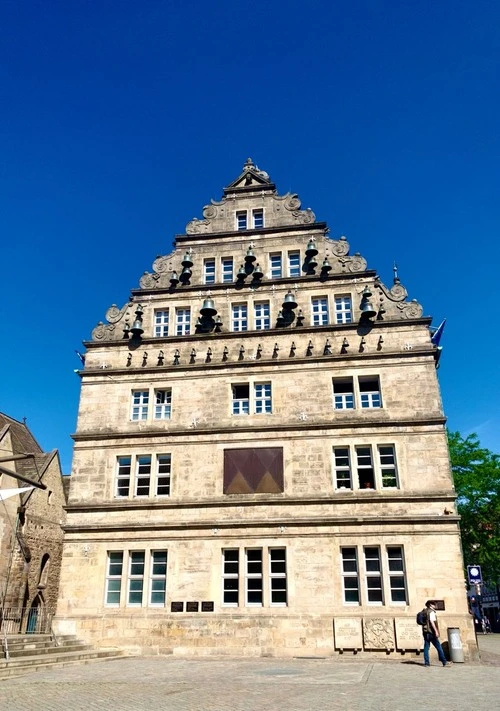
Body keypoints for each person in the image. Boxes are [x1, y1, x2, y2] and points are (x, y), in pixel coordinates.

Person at [422, 600, 449, 667]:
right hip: (431, 632)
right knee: (439, 647)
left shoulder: (424, 611)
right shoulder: (431, 612)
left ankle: (427, 663)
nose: (435, 605)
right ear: (430, 605)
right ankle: (444, 661)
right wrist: (436, 631)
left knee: (426, 648)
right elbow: (432, 622)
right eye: (434, 604)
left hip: (425, 631)